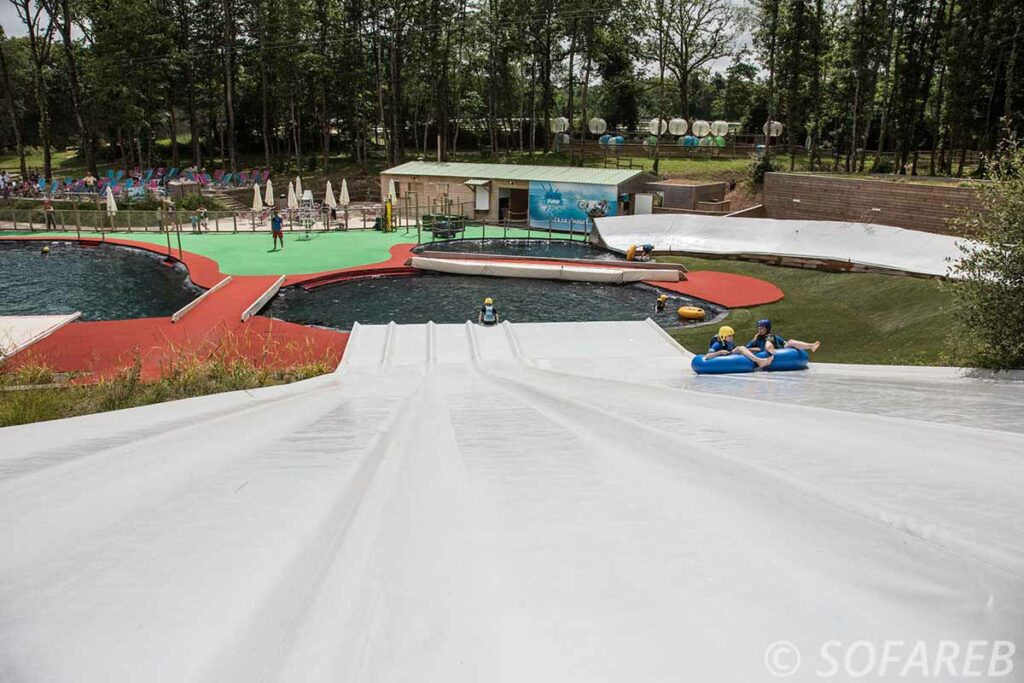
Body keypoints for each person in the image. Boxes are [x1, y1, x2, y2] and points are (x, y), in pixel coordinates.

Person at [706, 325, 772, 369]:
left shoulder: (729, 343)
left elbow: (734, 350)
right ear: (723, 336)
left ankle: (759, 362)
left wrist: (752, 349)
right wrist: (719, 352)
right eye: (729, 336)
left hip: (729, 355)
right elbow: (707, 356)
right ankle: (760, 361)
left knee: (742, 348)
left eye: (731, 335)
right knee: (740, 348)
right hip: (722, 357)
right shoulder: (717, 344)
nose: (731, 338)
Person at [746, 319, 821, 356]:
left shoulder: (772, 336)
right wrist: (754, 341)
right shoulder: (757, 338)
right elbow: (747, 347)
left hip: (780, 350)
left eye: (762, 328)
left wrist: (790, 345)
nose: (760, 330)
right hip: (770, 351)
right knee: (769, 342)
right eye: (759, 328)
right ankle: (811, 346)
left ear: (767, 329)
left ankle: (811, 346)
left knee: (791, 341)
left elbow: (784, 343)